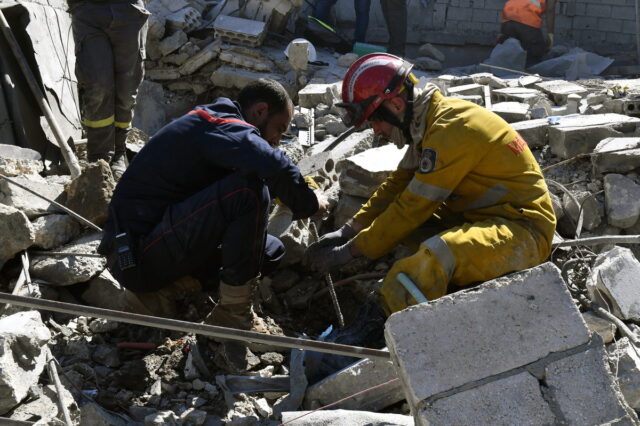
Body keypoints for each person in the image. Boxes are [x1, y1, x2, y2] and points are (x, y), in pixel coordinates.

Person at [307, 53, 556, 315]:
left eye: (376, 120)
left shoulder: (452, 128)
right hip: (477, 217)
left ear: (396, 104)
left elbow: (412, 207)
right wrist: (349, 230)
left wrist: (351, 251)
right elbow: (397, 186)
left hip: (524, 231)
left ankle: (379, 320)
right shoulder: (427, 124)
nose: (377, 131)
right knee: (403, 231)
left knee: (440, 253)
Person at [97, 79, 325, 329]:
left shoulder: (218, 128)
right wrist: (311, 204)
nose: (278, 140)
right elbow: (274, 165)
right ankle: (234, 313)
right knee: (249, 192)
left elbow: (260, 168)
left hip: (156, 242)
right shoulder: (218, 123)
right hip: (135, 256)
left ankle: (163, 293)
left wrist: (292, 189)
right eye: (279, 129)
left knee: (268, 250)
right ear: (260, 111)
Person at [68, 0, 149, 179]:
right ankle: (99, 156)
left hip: (129, 10)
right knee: (97, 85)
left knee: (127, 91)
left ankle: (119, 152)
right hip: (89, 11)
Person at [499, 0, 557, 65]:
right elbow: (550, 9)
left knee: (508, 52)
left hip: (508, 17)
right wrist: (550, 35)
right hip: (527, 18)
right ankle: (529, 72)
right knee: (535, 52)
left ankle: (503, 72)